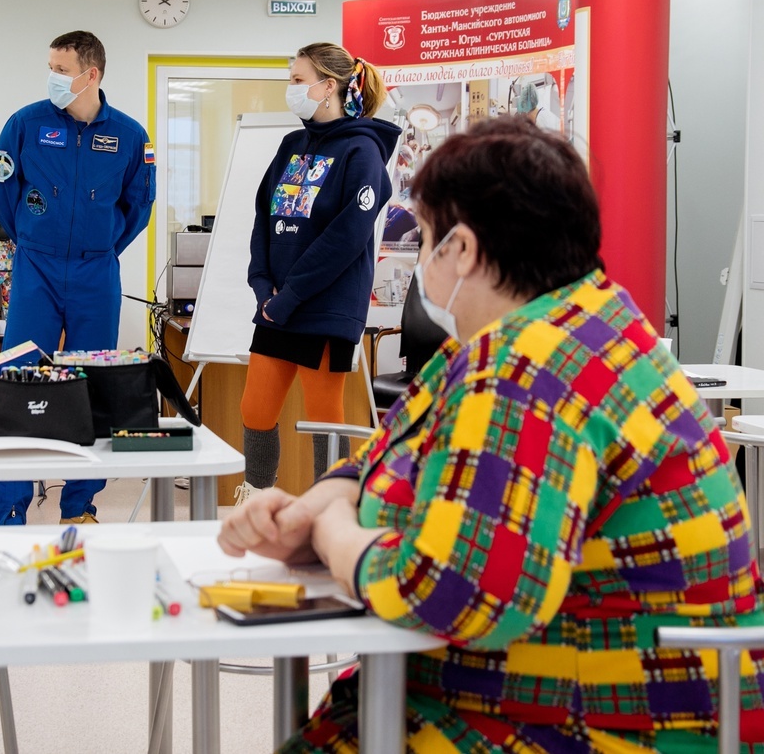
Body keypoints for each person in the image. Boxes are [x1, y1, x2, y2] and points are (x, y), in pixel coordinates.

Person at [219, 116, 764, 753]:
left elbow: (452, 592)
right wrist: (308, 508)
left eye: (423, 240)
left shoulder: (529, 366)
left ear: (465, 250)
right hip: (551, 693)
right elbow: (391, 447)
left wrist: (332, 533)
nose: (419, 261)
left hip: (596, 722)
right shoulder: (563, 326)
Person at [0, 30, 155, 525]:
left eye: (61, 70)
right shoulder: (25, 124)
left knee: (94, 381)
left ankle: (79, 505)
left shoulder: (129, 135)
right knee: (18, 379)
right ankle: (9, 507)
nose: (53, 78)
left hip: (95, 270)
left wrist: (99, 248)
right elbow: (2, 194)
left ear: (91, 74)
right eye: (52, 68)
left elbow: (137, 206)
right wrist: (37, 241)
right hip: (36, 264)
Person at [238, 43, 399, 503]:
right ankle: (258, 497)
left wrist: (291, 294)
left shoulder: (363, 150)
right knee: (255, 408)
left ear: (328, 86)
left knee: (324, 417)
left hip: (325, 307)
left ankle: (325, 508)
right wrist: (263, 285)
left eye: (296, 80)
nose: (290, 89)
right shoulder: (292, 144)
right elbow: (263, 218)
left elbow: (345, 239)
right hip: (277, 303)